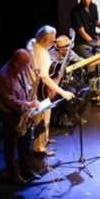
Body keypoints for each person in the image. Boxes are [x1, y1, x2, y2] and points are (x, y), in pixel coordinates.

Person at [27, 26, 75, 156]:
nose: (54, 44)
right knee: (42, 117)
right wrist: (63, 92)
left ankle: (44, 140)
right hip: (38, 90)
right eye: (52, 41)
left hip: (36, 87)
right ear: (43, 39)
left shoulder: (32, 43)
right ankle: (39, 148)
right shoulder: (40, 53)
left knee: (45, 116)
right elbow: (45, 79)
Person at [0, 49, 39, 184]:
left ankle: (26, 170)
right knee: (11, 144)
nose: (27, 69)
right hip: (9, 113)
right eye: (25, 66)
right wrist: (29, 104)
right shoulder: (4, 76)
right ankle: (13, 174)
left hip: (22, 109)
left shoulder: (22, 68)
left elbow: (23, 86)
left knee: (25, 141)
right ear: (16, 63)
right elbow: (10, 101)